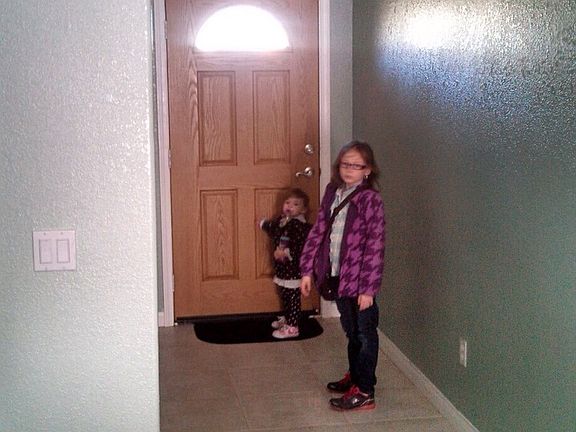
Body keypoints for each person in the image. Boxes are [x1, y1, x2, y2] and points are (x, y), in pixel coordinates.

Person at [300, 140, 385, 411]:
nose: (349, 169)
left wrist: (368, 289)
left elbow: (375, 245)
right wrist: (307, 270)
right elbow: (318, 231)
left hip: (360, 282)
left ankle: (365, 391)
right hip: (337, 276)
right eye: (345, 164)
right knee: (351, 331)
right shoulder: (332, 192)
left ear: (367, 170)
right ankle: (355, 376)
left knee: (365, 334)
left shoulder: (370, 200)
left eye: (356, 165)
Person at [260, 188, 312, 339]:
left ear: (303, 209)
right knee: (284, 294)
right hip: (283, 268)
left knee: (293, 297)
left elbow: (299, 246)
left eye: (295, 204)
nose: (290, 206)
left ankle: (293, 326)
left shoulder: (299, 225)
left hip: (293, 268)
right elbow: (274, 229)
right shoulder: (283, 220)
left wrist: (286, 252)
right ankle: (288, 319)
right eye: (287, 202)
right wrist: (264, 224)